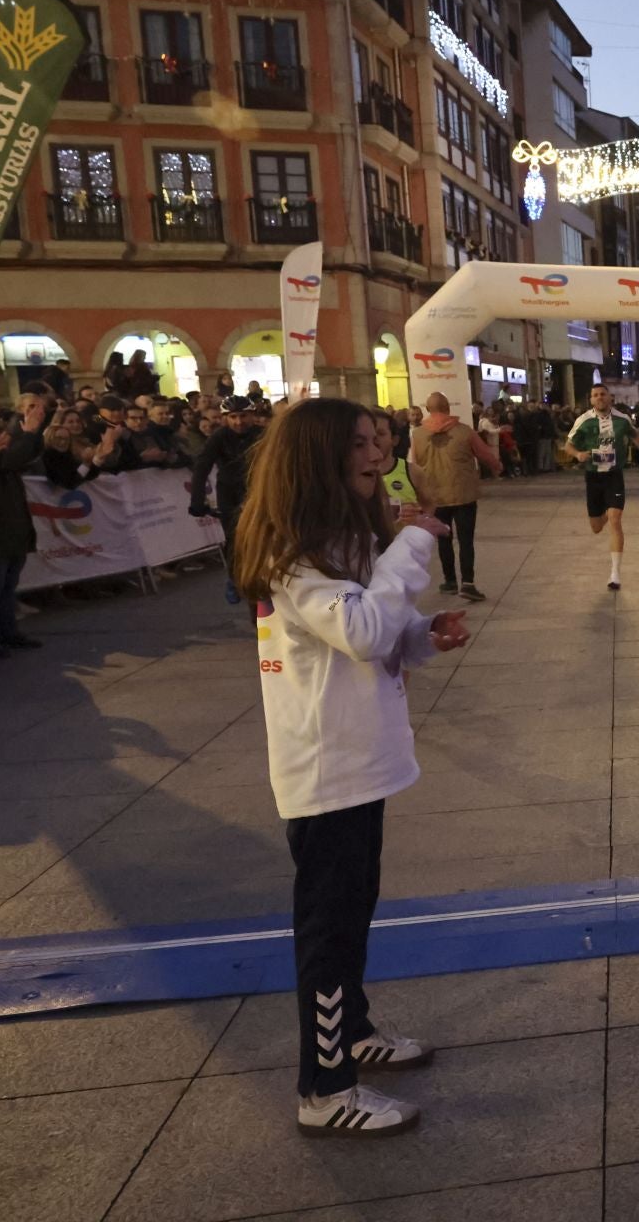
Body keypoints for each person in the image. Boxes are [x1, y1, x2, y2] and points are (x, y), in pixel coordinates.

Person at [232, 398, 471, 1136]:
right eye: (362, 443)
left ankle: (354, 1032)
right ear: (320, 457)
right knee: (329, 930)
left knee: (353, 911)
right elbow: (361, 630)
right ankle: (324, 1088)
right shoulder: (295, 555)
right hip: (327, 772)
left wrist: (427, 635)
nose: (380, 453)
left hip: (361, 764)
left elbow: (380, 635)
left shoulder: (339, 545)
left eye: (381, 439)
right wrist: (412, 543)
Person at [409, 393, 501, 600]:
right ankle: (467, 583)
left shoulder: (418, 435)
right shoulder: (464, 432)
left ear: (427, 409)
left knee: (444, 540)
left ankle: (449, 581)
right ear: (448, 407)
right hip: (464, 494)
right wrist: (498, 467)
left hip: (434, 496)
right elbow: (485, 455)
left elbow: (415, 465)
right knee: (466, 540)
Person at [191, 396, 267, 605]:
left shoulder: (263, 435)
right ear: (226, 418)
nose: (239, 422)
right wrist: (197, 499)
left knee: (264, 535)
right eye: (233, 417)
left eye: (243, 416)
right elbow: (202, 466)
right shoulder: (218, 437)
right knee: (233, 538)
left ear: (252, 416)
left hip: (256, 490)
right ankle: (234, 578)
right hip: (229, 491)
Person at [564, 384, 636, 591]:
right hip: (593, 477)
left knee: (615, 521)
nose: (599, 398)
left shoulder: (622, 419)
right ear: (591, 400)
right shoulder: (583, 421)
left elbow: (634, 434)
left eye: (603, 394)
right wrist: (578, 455)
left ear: (610, 397)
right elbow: (568, 445)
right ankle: (607, 513)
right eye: (595, 395)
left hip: (614, 475)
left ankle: (615, 574)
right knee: (596, 527)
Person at [0, 389, 50, 655]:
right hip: (3, 529)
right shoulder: (14, 435)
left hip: (13, 526)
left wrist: (33, 434)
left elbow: (22, 456)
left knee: (8, 587)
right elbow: (12, 459)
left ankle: (9, 633)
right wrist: (29, 432)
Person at [371, 412, 422, 518]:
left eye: (380, 433)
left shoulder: (412, 471)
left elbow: (428, 505)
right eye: (369, 434)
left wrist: (419, 515)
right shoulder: (350, 475)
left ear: (394, 440)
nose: (374, 439)